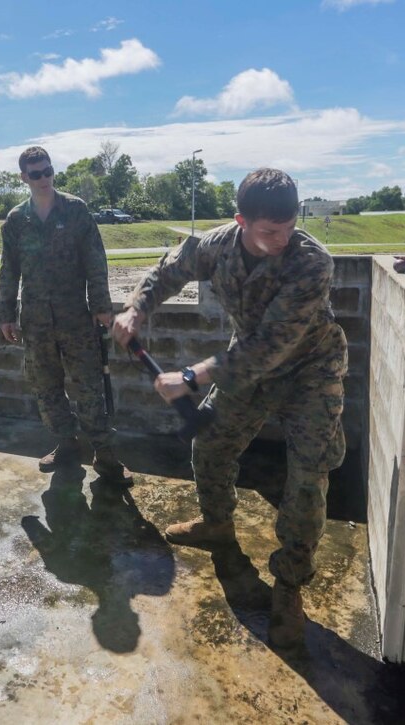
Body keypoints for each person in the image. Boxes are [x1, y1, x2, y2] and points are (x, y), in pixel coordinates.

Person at [112, 168, 348, 649]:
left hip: (310, 371)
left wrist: (191, 376)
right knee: (212, 445)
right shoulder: (216, 246)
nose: (281, 240)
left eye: (287, 229)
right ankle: (216, 523)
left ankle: (289, 585)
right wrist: (137, 307)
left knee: (307, 478)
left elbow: (269, 347)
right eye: (268, 232)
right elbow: (167, 271)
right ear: (242, 221)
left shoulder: (312, 262)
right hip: (247, 370)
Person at [0, 146, 130, 483]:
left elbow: (95, 261)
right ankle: (66, 444)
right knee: (46, 388)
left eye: (48, 171)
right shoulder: (16, 219)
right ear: (24, 177)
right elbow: (8, 270)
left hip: (76, 318)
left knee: (89, 388)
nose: (44, 178)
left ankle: (105, 455)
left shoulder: (75, 211)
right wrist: (6, 314)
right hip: (36, 321)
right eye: (36, 173)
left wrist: (101, 306)